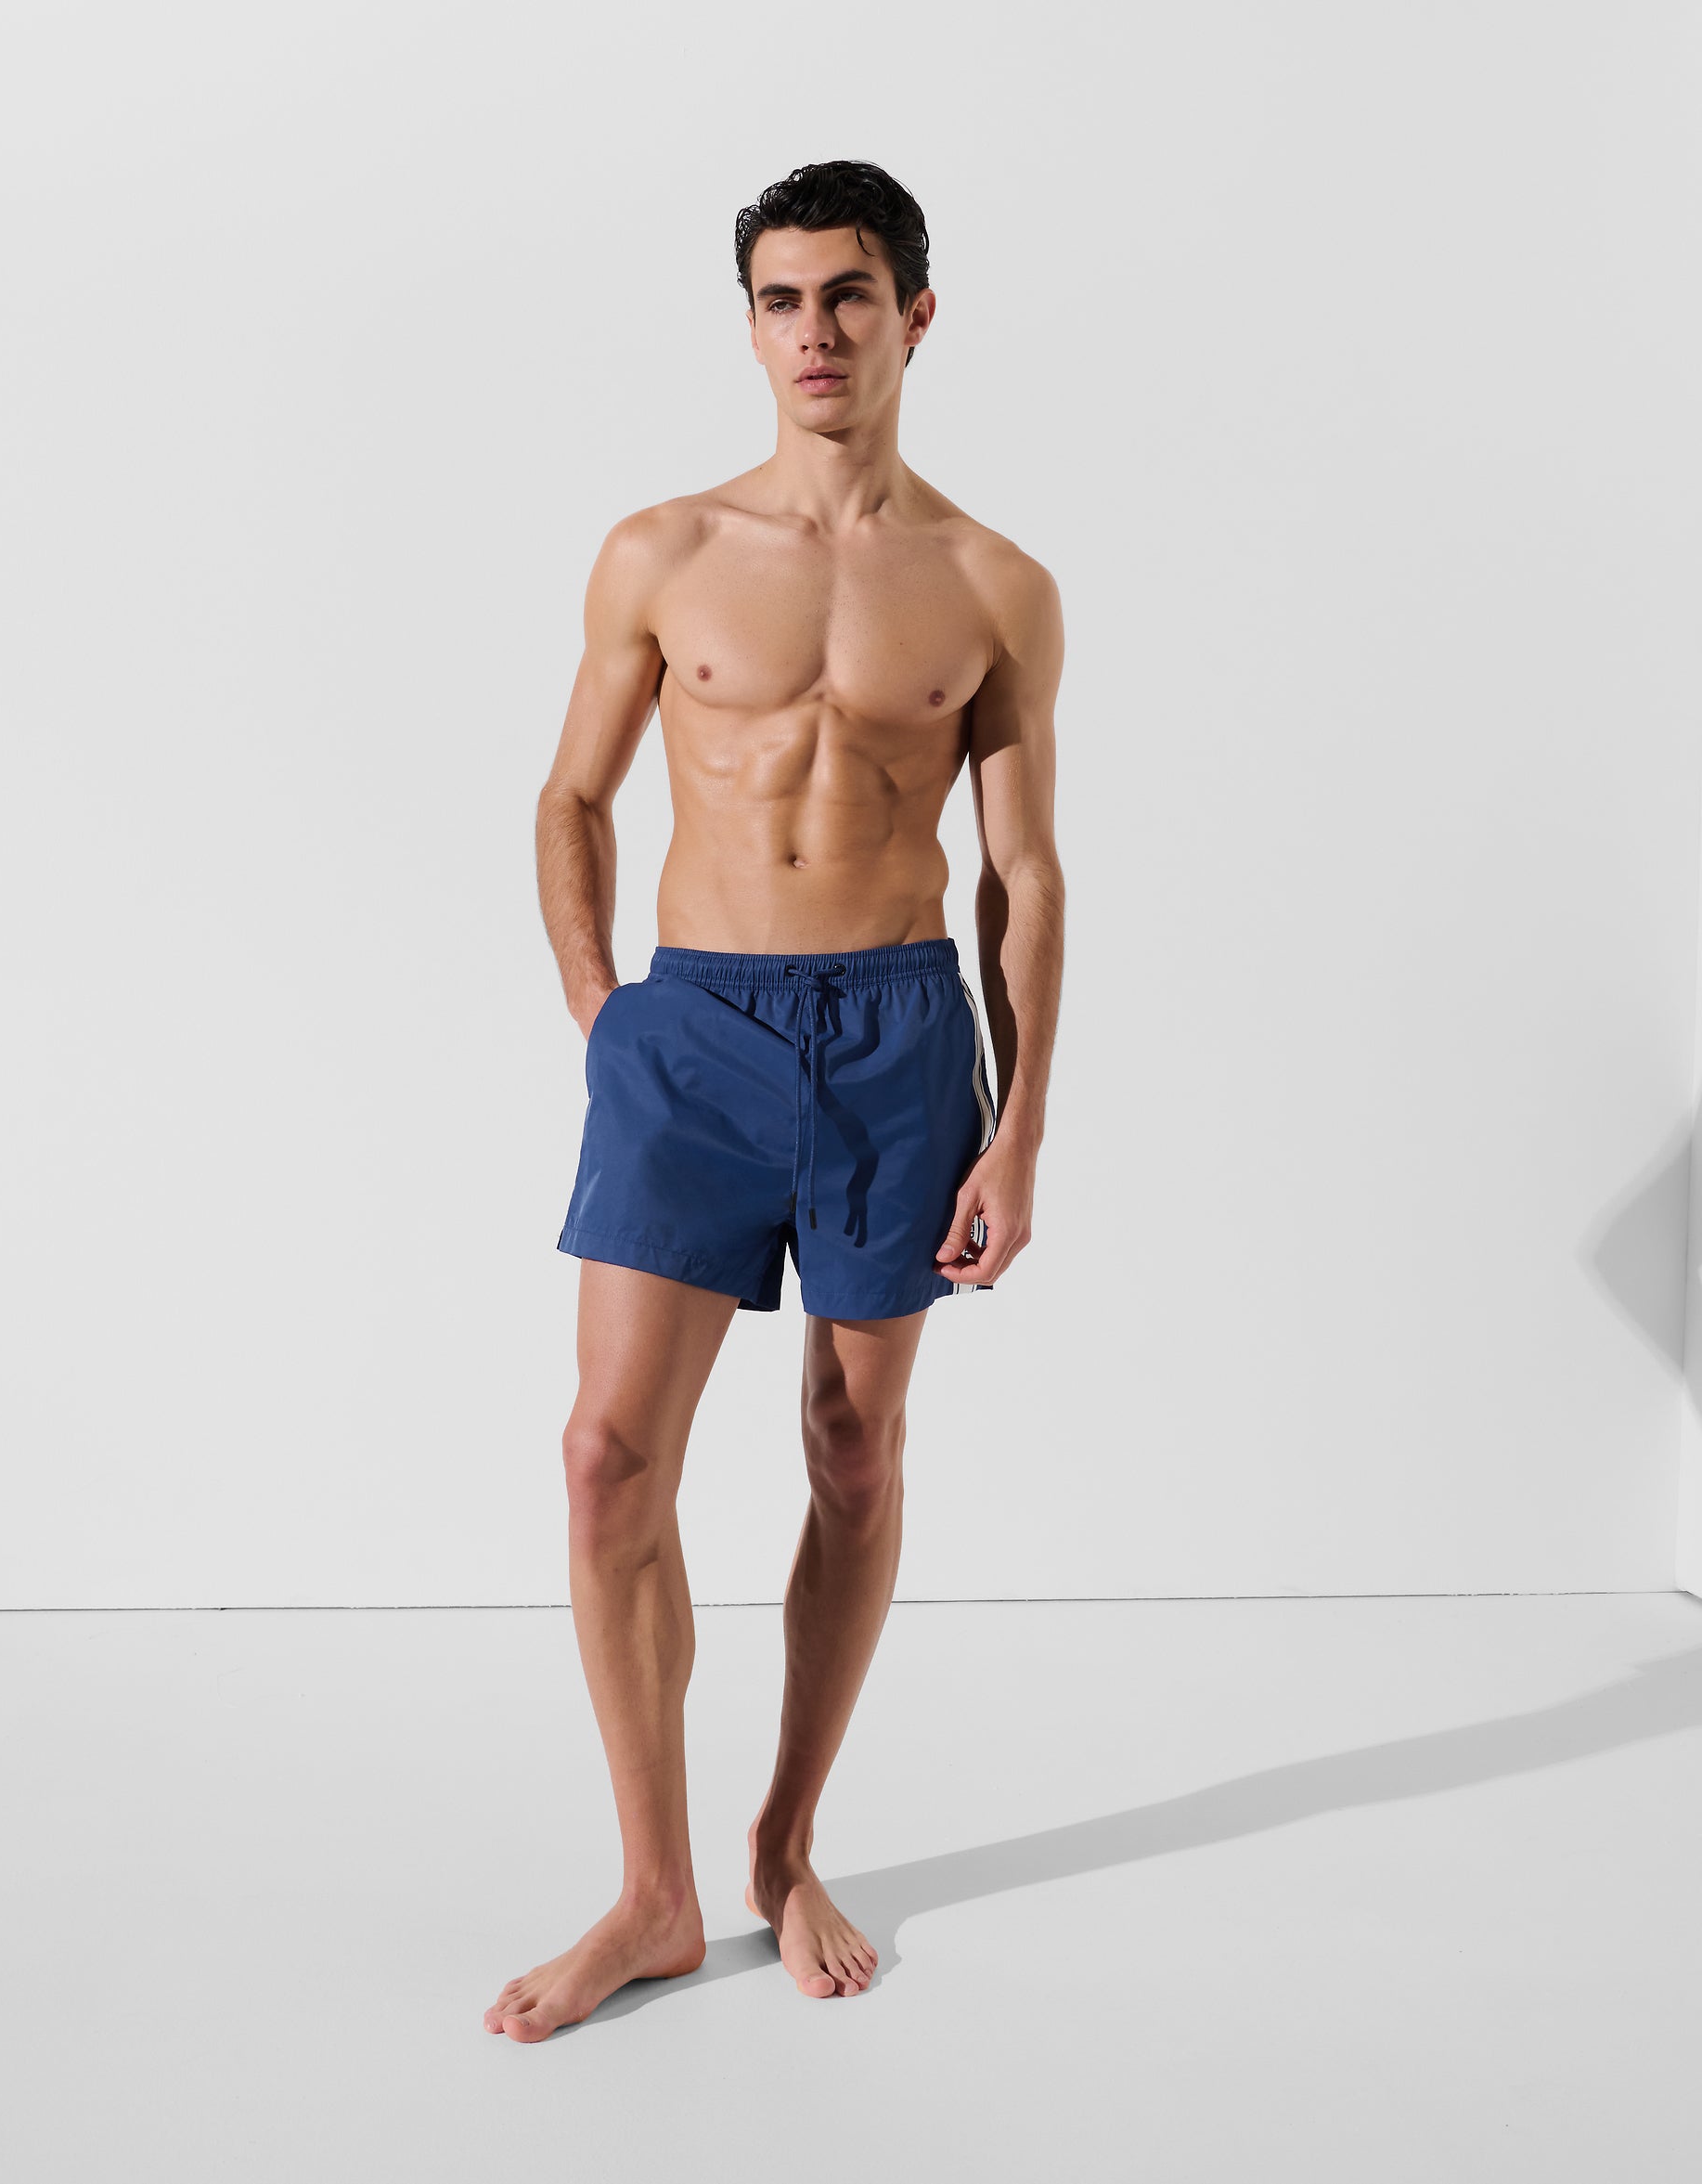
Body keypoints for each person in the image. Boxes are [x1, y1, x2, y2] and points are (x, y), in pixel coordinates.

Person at [486, 159, 1064, 2042]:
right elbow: (571, 796)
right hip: (694, 1030)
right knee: (607, 1456)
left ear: (915, 314)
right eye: (778, 299)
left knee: (851, 1449)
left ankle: (783, 1841)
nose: (812, 331)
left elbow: (1023, 873)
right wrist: (606, 1015)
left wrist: (1018, 1125)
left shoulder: (993, 584)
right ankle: (651, 1893)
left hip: (897, 1033)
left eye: (847, 295)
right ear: (747, 323)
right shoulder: (660, 551)